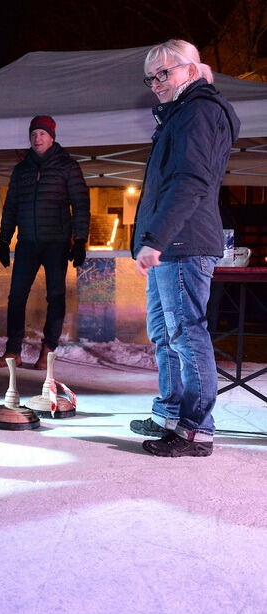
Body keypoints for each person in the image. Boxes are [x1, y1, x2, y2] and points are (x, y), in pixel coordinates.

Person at [131, 39, 239, 458]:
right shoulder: (180, 113)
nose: (157, 82)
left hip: (183, 241)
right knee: (165, 333)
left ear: (191, 71)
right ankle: (170, 415)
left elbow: (190, 181)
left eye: (165, 73)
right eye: (151, 76)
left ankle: (195, 429)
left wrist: (156, 240)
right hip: (171, 241)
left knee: (185, 333)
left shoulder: (198, 111)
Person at [0, 115, 89, 370]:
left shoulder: (67, 166)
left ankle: (48, 351)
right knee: (16, 297)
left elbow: (80, 204)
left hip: (56, 243)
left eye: (42, 134)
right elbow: (11, 205)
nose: (37, 138)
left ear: (52, 137)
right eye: (34, 134)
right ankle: (13, 351)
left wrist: (80, 240)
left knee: (55, 296)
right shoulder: (21, 169)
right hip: (27, 243)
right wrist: (4, 240)